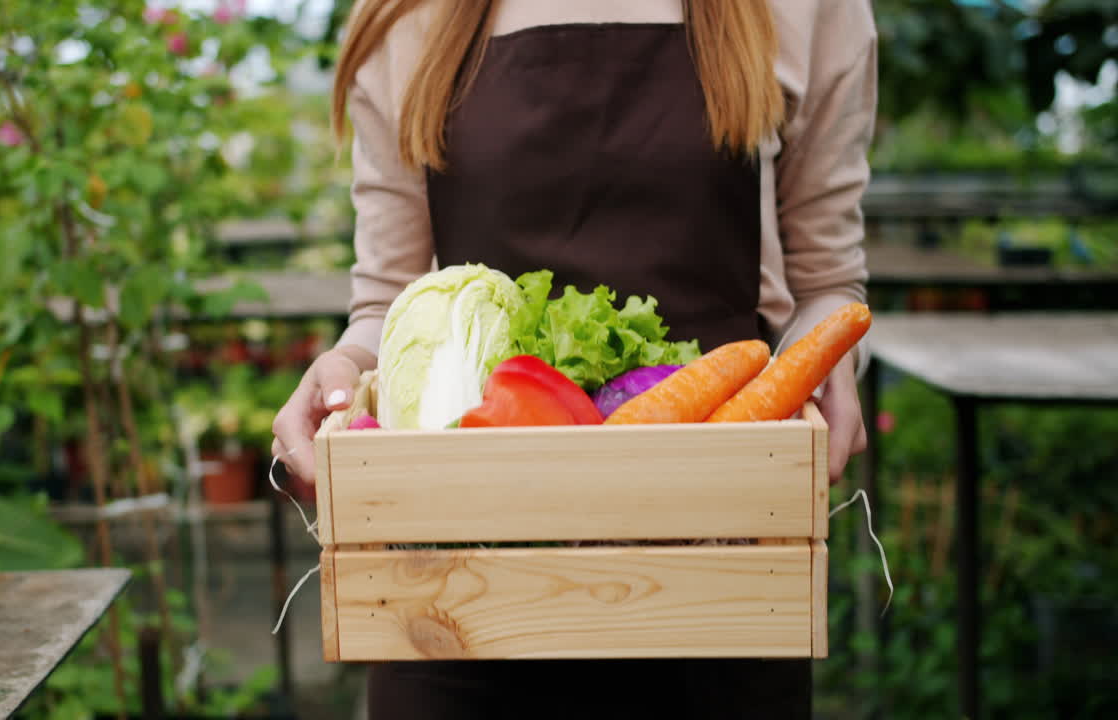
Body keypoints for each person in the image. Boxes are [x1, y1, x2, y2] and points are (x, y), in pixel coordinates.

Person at [272, 0, 876, 716]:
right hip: (459, 595)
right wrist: (344, 367)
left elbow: (825, 278)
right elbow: (386, 297)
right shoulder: (410, 13)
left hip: (718, 568)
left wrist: (829, 361)